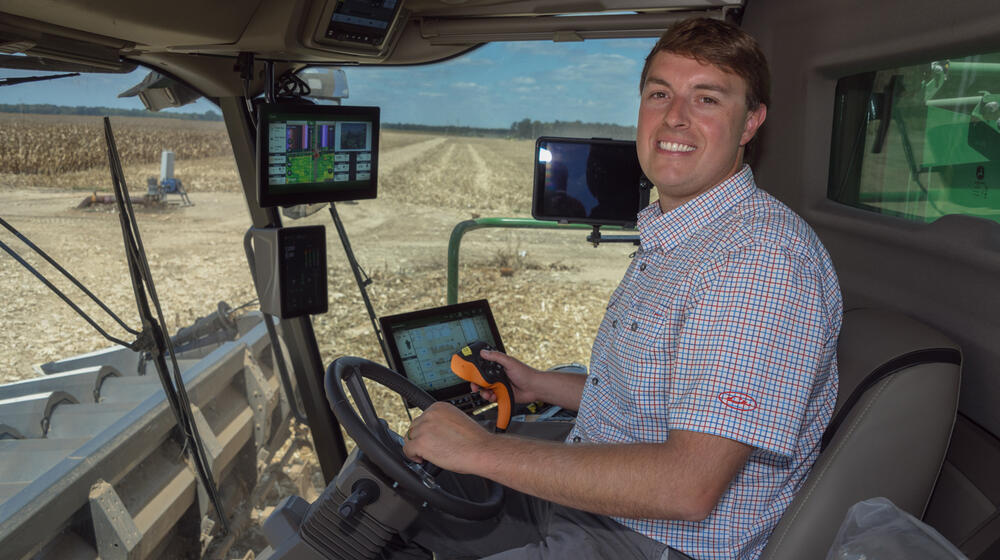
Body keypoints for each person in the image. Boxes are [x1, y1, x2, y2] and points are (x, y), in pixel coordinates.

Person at [401, 17, 842, 560]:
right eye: (660, 93)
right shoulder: (680, 233)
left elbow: (686, 487)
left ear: (751, 123)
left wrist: (482, 451)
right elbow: (656, 405)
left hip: (656, 539)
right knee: (397, 498)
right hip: (609, 500)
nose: (674, 118)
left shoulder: (758, 262)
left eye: (707, 99)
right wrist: (541, 385)